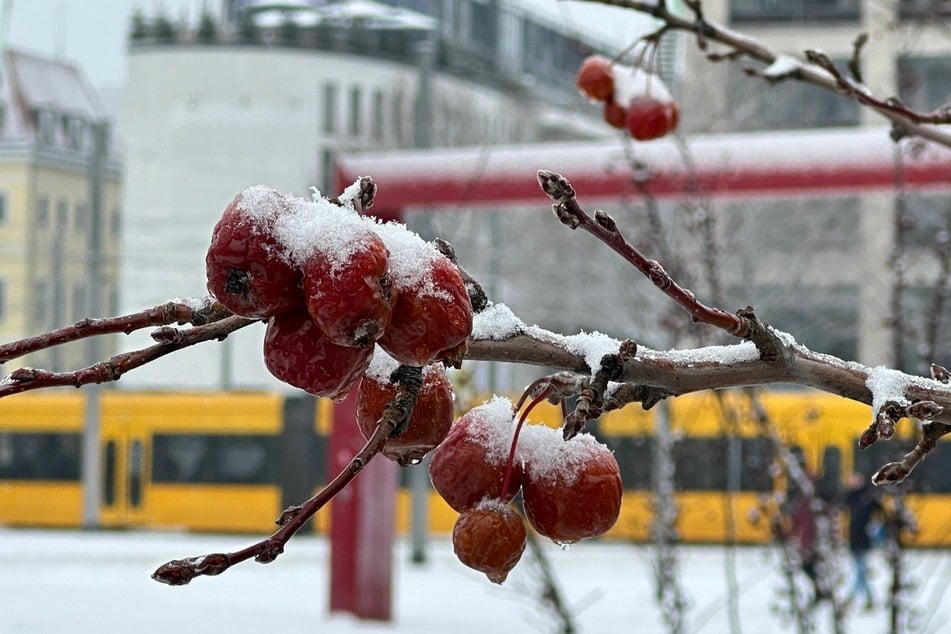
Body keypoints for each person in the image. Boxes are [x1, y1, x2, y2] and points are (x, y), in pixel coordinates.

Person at [843, 472, 884, 611]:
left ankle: (854, 598)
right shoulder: (851, 496)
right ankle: (866, 599)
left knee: (860, 570)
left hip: (863, 539)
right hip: (854, 539)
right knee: (860, 571)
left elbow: (880, 509)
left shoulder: (866, 496)